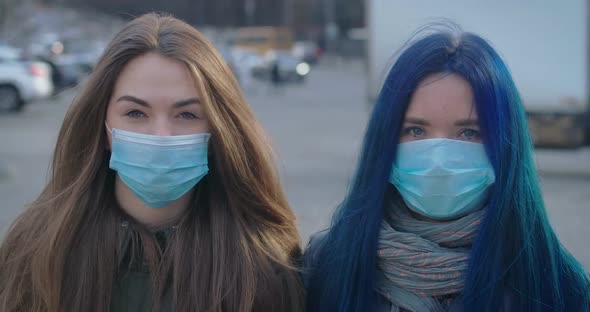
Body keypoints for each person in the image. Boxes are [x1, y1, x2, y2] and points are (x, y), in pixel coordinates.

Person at [0, 13, 304, 312]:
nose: (161, 135)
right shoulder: (36, 254)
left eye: (187, 114)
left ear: (217, 130)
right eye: (135, 113)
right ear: (103, 127)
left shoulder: (263, 267)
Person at [304, 27, 590, 312]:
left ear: (504, 147)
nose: (438, 159)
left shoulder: (554, 285)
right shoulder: (327, 266)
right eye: (415, 130)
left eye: (468, 133)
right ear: (386, 140)